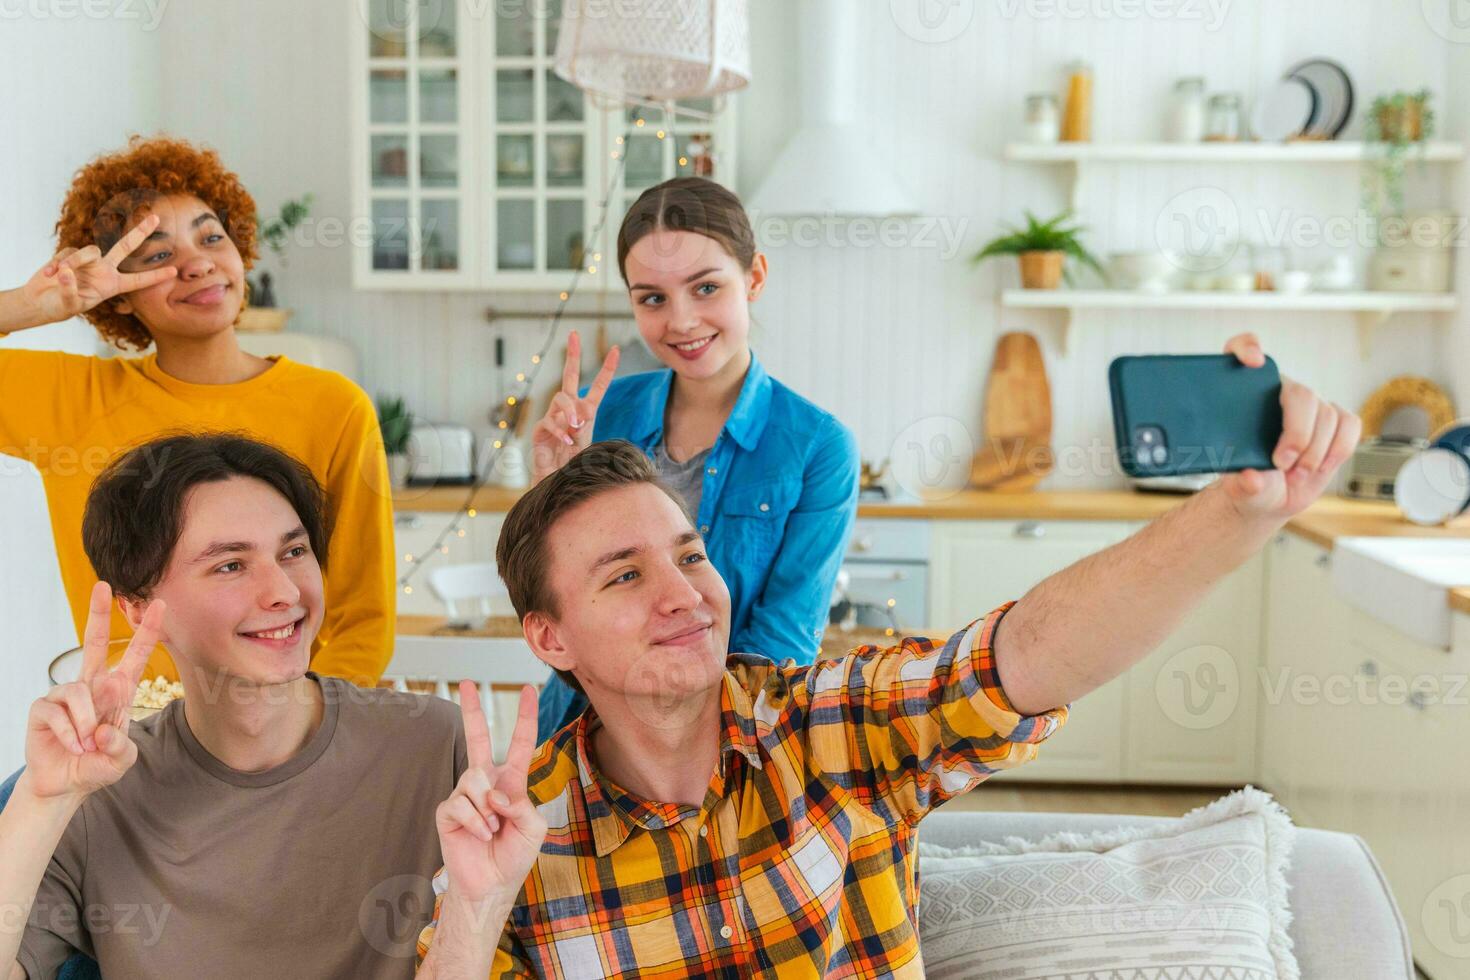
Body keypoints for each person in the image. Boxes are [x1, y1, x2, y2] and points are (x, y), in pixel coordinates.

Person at [414, 333, 1361, 976]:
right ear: (549, 637)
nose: (684, 595)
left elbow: (1027, 653)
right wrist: (474, 905)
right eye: (623, 577)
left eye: (692, 555)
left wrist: (1236, 514)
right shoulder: (523, 835)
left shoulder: (832, 726)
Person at [0, 432, 504, 980]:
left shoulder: (431, 743)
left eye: (293, 551)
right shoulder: (94, 793)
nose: (284, 591)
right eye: (231, 565)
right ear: (141, 609)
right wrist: (43, 798)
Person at [0, 135, 396, 687]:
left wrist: (294, 732)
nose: (199, 264)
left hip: (283, 734)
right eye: (159, 255)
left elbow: (363, 618)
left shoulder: (333, 407)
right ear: (116, 296)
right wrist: (28, 304)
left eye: (212, 237)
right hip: (127, 736)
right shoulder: (69, 400)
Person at [529, 177, 860, 741]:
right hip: (579, 731)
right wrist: (552, 491)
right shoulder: (603, 415)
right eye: (653, 298)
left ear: (753, 277)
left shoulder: (817, 446)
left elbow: (783, 643)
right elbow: (560, 610)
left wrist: (665, 740)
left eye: (705, 288)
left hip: (727, 747)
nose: (680, 320)